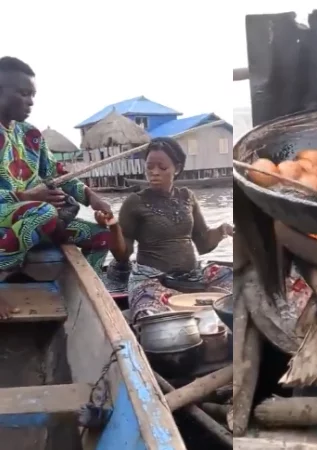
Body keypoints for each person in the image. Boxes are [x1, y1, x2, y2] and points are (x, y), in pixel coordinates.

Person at [0, 56, 112, 318]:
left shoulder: (30, 134)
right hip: (14, 216)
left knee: (100, 236)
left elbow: (56, 174)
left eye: (33, 95)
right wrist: (24, 196)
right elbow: (31, 202)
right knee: (43, 213)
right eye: (23, 93)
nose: (31, 101)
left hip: (33, 218)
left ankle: (84, 304)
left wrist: (92, 197)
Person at [96, 137, 233, 324]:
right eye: (149, 167)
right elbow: (122, 254)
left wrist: (223, 230)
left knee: (236, 283)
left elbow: (203, 243)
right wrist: (112, 226)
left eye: (162, 168)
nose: (154, 173)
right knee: (155, 318)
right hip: (153, 281)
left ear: (177, 168)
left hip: (192, 277)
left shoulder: (187, 197)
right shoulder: (135, 202)